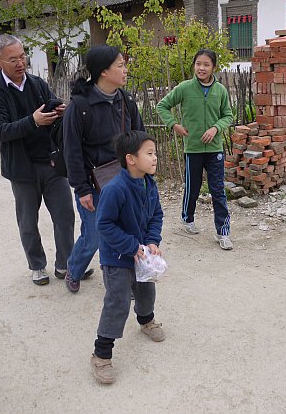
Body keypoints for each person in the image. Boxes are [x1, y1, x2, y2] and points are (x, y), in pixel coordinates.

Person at [0, 34, 75, 286]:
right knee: (27, 221)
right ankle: (37, 265)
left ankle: (66, 264)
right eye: (13, 59)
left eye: (22, 56)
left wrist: (60, 109)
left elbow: (51, 102)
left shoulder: (36, 83)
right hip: (21, 168)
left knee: (65, 215)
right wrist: (32, 122)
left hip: (51, 162)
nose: (20, 63)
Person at [63, 45, 145, 293]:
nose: (125, 70)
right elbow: (72, 151)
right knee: (95, 236)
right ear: (103, 72)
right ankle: (74, 270)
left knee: (128, 232)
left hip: (124, 181)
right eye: (120, 65)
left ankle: (127, 282)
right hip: (93, 184)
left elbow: (139, 138)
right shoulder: (80, 106)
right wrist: (82, 189)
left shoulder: (126, 100)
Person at [90, 130, 165, 384]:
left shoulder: (148, 183)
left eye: (154, 153)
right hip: (117, 257)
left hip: (141, 254)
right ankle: (101, 354)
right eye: (150, 153)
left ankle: (146, 320)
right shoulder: (115, 189)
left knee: (146, 291)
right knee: (118, 301)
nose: (155, 158)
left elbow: (156, 215)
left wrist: (153, 241)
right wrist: (131, 246)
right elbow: (104, 225)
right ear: (131, 159)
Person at [156, 49, 234, 250]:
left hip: (215, 147)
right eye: (198, 63)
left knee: (218, 190)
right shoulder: (185, 88)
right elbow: (162, 106)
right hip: (193, 148)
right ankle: (187, 218)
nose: (202, 68)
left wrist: (216, 127)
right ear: (194, 65)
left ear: (213, 67)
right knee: (193, 187)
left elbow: (228, 115)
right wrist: (174, 124)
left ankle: (223, 232)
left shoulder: (220, 91)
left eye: (206, 64)